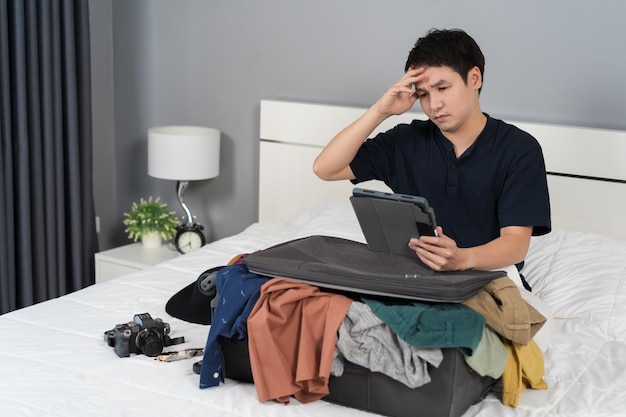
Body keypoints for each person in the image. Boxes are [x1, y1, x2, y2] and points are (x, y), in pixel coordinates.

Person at [313, 28, 551, 293]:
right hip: (411, 278)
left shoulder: (519, 149)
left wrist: (463, 259)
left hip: (487, 280)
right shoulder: (404, 140)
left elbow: (516, 244)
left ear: (474, 78)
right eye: (423, 94)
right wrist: (381, 111)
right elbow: (325, 168)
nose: (433, 104)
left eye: (442, 88)